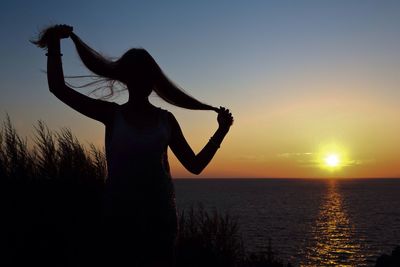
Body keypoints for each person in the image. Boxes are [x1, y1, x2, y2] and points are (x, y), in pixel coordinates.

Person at [32, 24, 233, 267]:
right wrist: (54, 43)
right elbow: (58, 88)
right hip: (119, 221)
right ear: (127, 78)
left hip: (160, 224)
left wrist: (221, 131)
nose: (142, 80)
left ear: (153, 80)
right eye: (137, 74)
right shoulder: (111, 114)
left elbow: (195, 166)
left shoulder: (166, 120)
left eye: (146, 74)